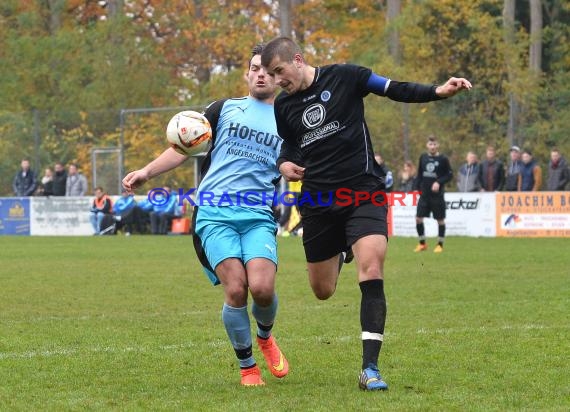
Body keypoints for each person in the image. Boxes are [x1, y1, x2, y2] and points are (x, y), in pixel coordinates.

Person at [260, 36, 471, 391]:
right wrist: (284, 163)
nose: (278, 80)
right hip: (318, 203)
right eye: (272, 74)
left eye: (279, 71)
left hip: (363, 192)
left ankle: (370, 368)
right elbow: (289, 143)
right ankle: (344, 248)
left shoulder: (346, 76)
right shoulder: (283, 106)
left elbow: (393, 88)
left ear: (297, 59)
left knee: (372, 267)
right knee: (322, 290)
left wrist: (438, 91)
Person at [122, 44, 288, 386]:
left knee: (262, 288)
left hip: (258, 213)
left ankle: (265, 336)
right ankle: (247, 368)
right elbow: (182, 148)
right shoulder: (223, 109)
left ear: (279, 77)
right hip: (214, 212)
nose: (261, 74)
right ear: (246, 74)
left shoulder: (288, 118)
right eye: (255, 68)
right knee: (237, 289)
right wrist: (146, 173)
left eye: (269, 71)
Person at [413, 136, 453, 253]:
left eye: (434, 144)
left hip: (437, 196)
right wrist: (415, 188)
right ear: (427, 145)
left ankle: (440, 244)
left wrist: (438, 182)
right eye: (430, 144)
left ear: (438, 145)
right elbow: (420, 174)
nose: (432, 147)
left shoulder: (443, 159)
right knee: (418, 219)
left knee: (440, 220)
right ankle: (422, 243)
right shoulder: (423, 157)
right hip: (424, 195)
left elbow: (449, 175)